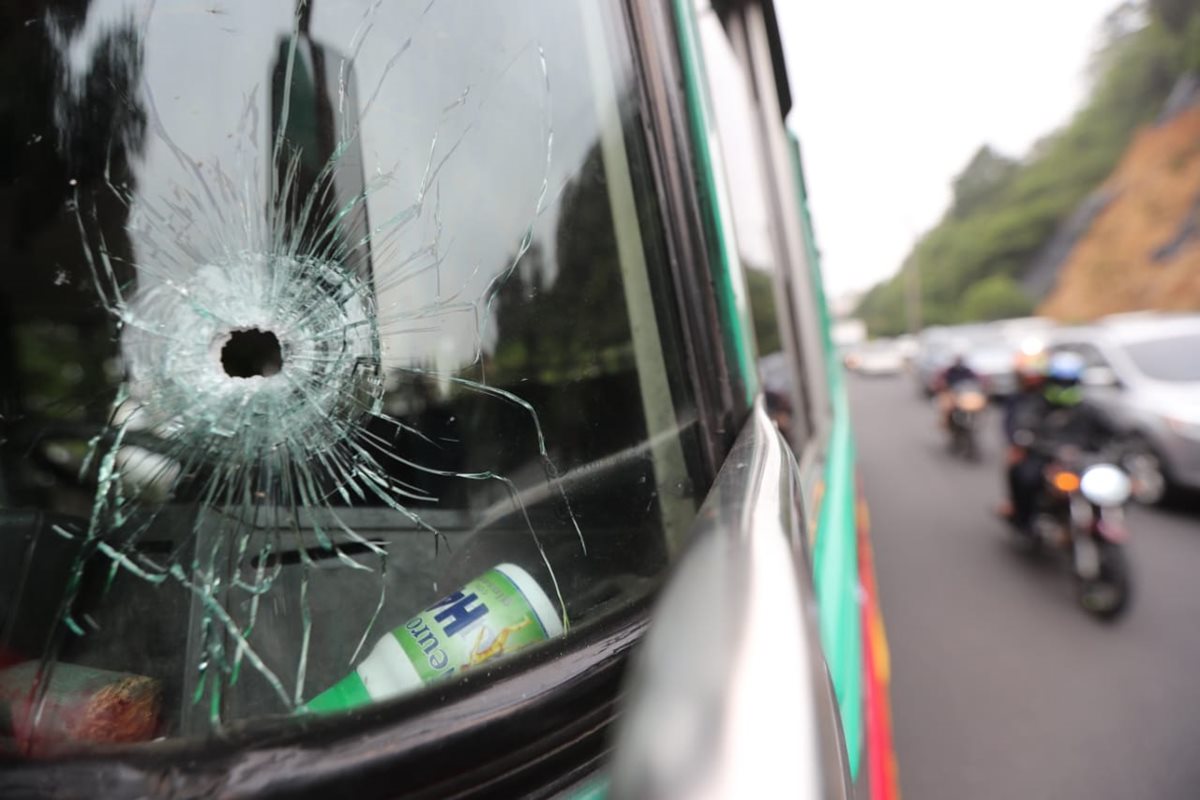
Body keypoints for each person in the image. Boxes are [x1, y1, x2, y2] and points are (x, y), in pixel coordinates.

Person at [1003, 351, 1116, 533]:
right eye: (1060, 382)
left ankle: (1104, 520)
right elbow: (1022, 427)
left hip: (1083, 463)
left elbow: (1112, 433)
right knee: (1023, 475)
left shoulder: (1089, 409)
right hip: (1046, 459)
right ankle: (1025, 519)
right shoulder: (1035, 404)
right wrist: (1028, 440)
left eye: (1069, 382)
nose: (1064, 386)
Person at [933, 350, 980, 430]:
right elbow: (940, 381)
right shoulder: (949, 371)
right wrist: (942, 385)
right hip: (952, 393)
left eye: (960, 359)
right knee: (946, 407)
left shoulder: (967, 371)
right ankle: (945, 423)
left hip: (965, 394)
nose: (959, 361)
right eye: (958, 359)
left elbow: (976, 380)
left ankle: (975, 422)